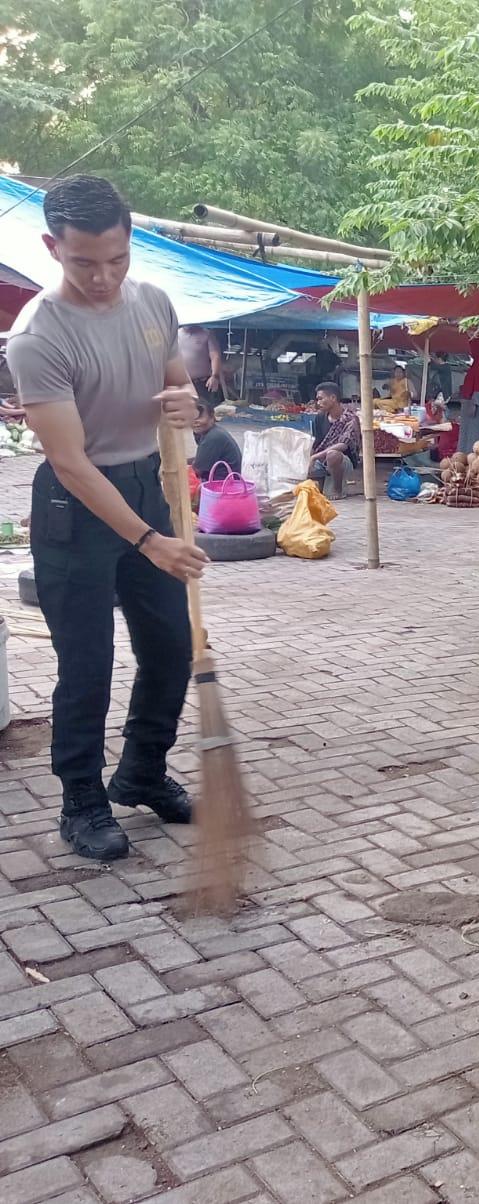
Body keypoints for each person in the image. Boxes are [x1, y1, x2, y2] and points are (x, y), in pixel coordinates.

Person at [6, 175, 208, 862]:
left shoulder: (152, 303)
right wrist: (150, 541)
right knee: (86, 665)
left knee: (172, 649)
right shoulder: (37, 337)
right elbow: (69, 462)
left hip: (146, 485)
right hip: (75, 506)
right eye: (85, 262)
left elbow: (177, 379)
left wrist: (189, 403)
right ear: (51, 247)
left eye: (117, 259)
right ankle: (81, 802)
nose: (104, 277)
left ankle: (142, 771)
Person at [307, 381, 360, 497]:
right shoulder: (320, 418)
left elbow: (343, 444)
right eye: (317, 399)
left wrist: (315, 457)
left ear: (333, 398)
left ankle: (338, 489)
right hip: (322, 460)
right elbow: (316, 442)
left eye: (321, 399)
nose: (318, 402)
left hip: (343, 461)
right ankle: (321, 483)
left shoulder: (350, 418)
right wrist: (308, 460)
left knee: (333, 454)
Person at [192, 399, 242, 480]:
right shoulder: (206, 432)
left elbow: (197, 471)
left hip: (222, 486)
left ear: (212, 417)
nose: (195, 421)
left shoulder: (213, 437)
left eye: (200, 417)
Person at [178, 324, 224, 406]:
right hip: (183, 384)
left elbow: (215, 356)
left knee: (208, 411)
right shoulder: (175, 335)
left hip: (203, 383)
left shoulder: (206, 333)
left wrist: (215, 376)